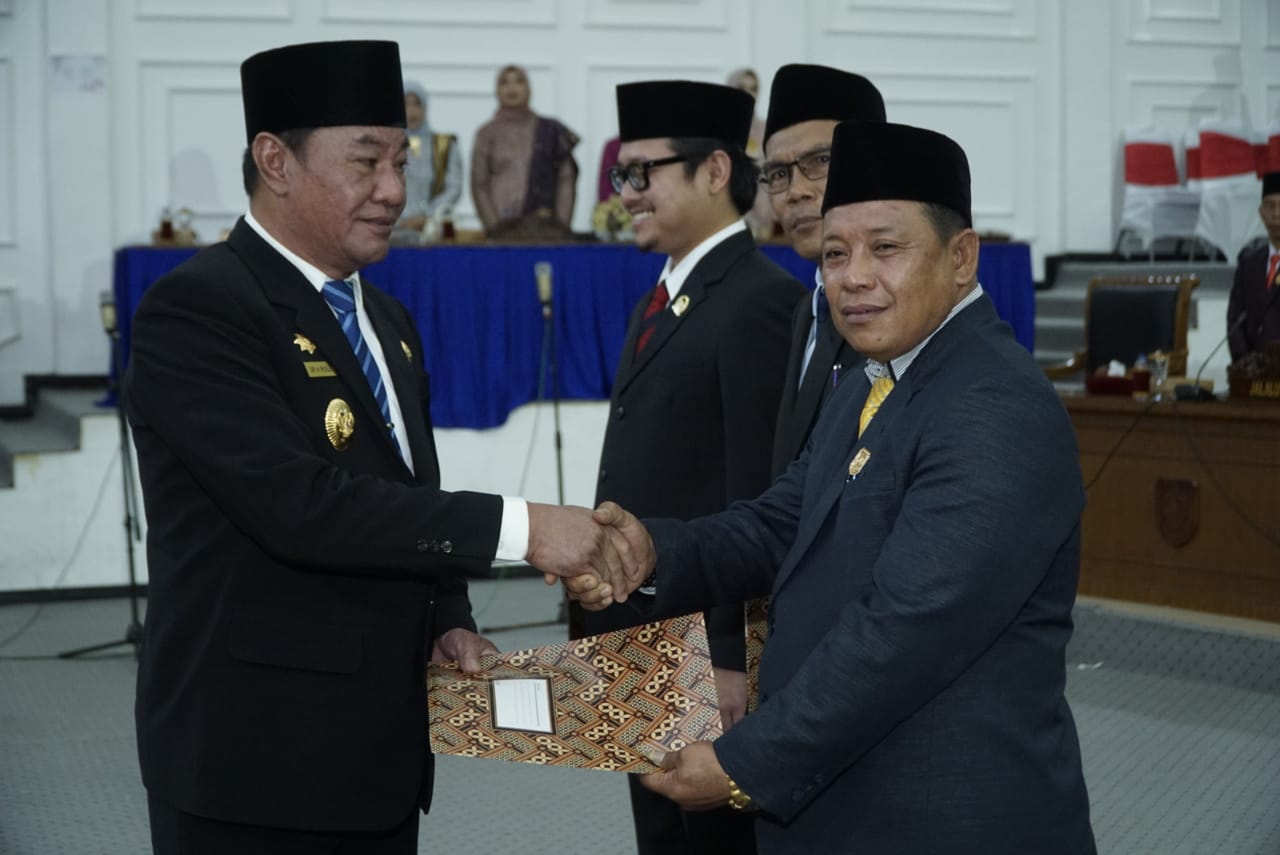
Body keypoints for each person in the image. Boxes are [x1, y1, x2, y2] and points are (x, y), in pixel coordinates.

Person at [126, 40, 633, 855]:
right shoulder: (200, 309)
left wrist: (448, 615)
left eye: (401, 161)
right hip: (254, 765)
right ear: (275, 161)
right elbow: (301, 507)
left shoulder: (387, 321)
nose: (393, 190)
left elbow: (403, 491)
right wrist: (527, 527)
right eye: (365, 163)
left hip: (377, 760)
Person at [576, 121, 1098, 854]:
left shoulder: (993, 405)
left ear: (961, 257)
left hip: (937, 822)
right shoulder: (868, 381)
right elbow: (781, 522)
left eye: (885, 249)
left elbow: (904, 632)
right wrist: (651, 551)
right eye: (834, 254)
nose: (853, 277)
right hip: (844, 809)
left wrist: (742, 763)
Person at [576, 79, 805, 855]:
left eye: (645, 172)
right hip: (643, 635)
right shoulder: (664, 295)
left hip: (703, 652)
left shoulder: (758, 300)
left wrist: (733, 662)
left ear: (715, 170)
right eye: (622, 174)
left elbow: (758, 496)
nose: (627, 193)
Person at [761, 64, 886, 477]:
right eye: (779, 174)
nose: (796, 191)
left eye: (820, 161)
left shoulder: (901, 311)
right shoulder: (809, 310)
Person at [470, 64, 579, 235]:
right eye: (504, 82)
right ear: (496, 91)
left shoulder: (551, 131)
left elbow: (566, 179)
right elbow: (479, 185)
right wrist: (494, 227)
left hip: (547, 229)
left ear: (529, 89)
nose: (511, 88)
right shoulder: (486, 134)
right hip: (503, 229)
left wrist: (561, 226)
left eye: (519, 81)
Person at [391, 80, 462, 244]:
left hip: (432, 229)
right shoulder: (387, 147)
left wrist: (427, 215)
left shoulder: (443, 146)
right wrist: (401, 218)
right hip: (392, 227)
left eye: (417, 104)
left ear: (425, 107)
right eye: (406, 104)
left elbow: (453, 187)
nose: (411, 111)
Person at [1227, 170, 1280, 361]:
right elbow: (1235, 319)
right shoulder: (1249, 263)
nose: (1276, 214)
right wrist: (1245, 362)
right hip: (1253, 370)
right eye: (1270, 206)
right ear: (1261, 213)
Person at [727, 67, 775, 241]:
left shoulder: (766, 130)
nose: (748, 93)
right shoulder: (720, 131)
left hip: (763, 223)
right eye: (742, 87)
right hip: (728, 219)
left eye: (753, 88)